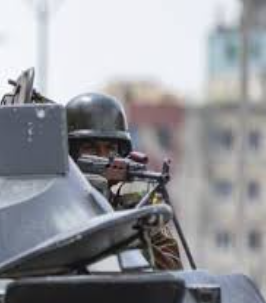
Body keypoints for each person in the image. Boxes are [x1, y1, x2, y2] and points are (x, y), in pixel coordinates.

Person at [66, 92, 182, 270]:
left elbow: (172, 267)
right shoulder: (55, 203)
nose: (103, 157)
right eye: (90, 148)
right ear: (69, 153)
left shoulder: (136, 205)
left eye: (111, 149)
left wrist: (127, 230)